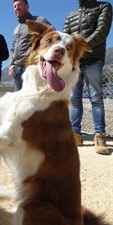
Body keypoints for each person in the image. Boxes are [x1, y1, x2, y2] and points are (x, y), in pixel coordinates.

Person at [63, 0, 112, 155]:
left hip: (93, 59)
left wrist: (78, 51)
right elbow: (65, 38)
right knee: (74, 99)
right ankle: (75, 135)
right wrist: (70, 56)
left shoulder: (103, 6)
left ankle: (100, 136)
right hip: (74, 63)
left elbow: (101, 32)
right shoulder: (71, 15)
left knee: (96, 97)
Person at [8, 0, 53, 92]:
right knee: (20, 102)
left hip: (32, 68)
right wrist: (11, 65)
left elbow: (53, 37)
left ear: (27, 6)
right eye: (14, 6)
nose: (17, 8)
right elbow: (13, 48)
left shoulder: (39, 21)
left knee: (35, 100)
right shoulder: (16, 29)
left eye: (19, 5)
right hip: (16, 70)